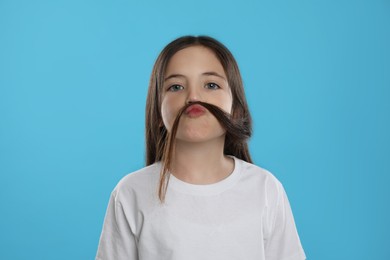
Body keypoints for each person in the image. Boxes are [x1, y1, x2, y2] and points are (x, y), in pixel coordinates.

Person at [96, 35, 306, 260]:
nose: (194, 97)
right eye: (176, 86)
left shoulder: (265, 189)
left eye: (211, 85)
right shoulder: (131, 192)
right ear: (157, 112)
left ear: (236, 108)